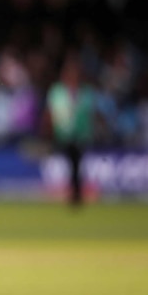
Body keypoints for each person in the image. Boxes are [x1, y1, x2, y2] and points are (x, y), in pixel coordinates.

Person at [45, 50, 97, 207]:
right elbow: (51, 114)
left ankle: (76, 194)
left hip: (80, 135)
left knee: (76, 164)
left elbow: (90, 115)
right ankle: (74, 193)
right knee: (71, 164)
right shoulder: (57, 91)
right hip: (62, 135)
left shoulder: (86, 92)